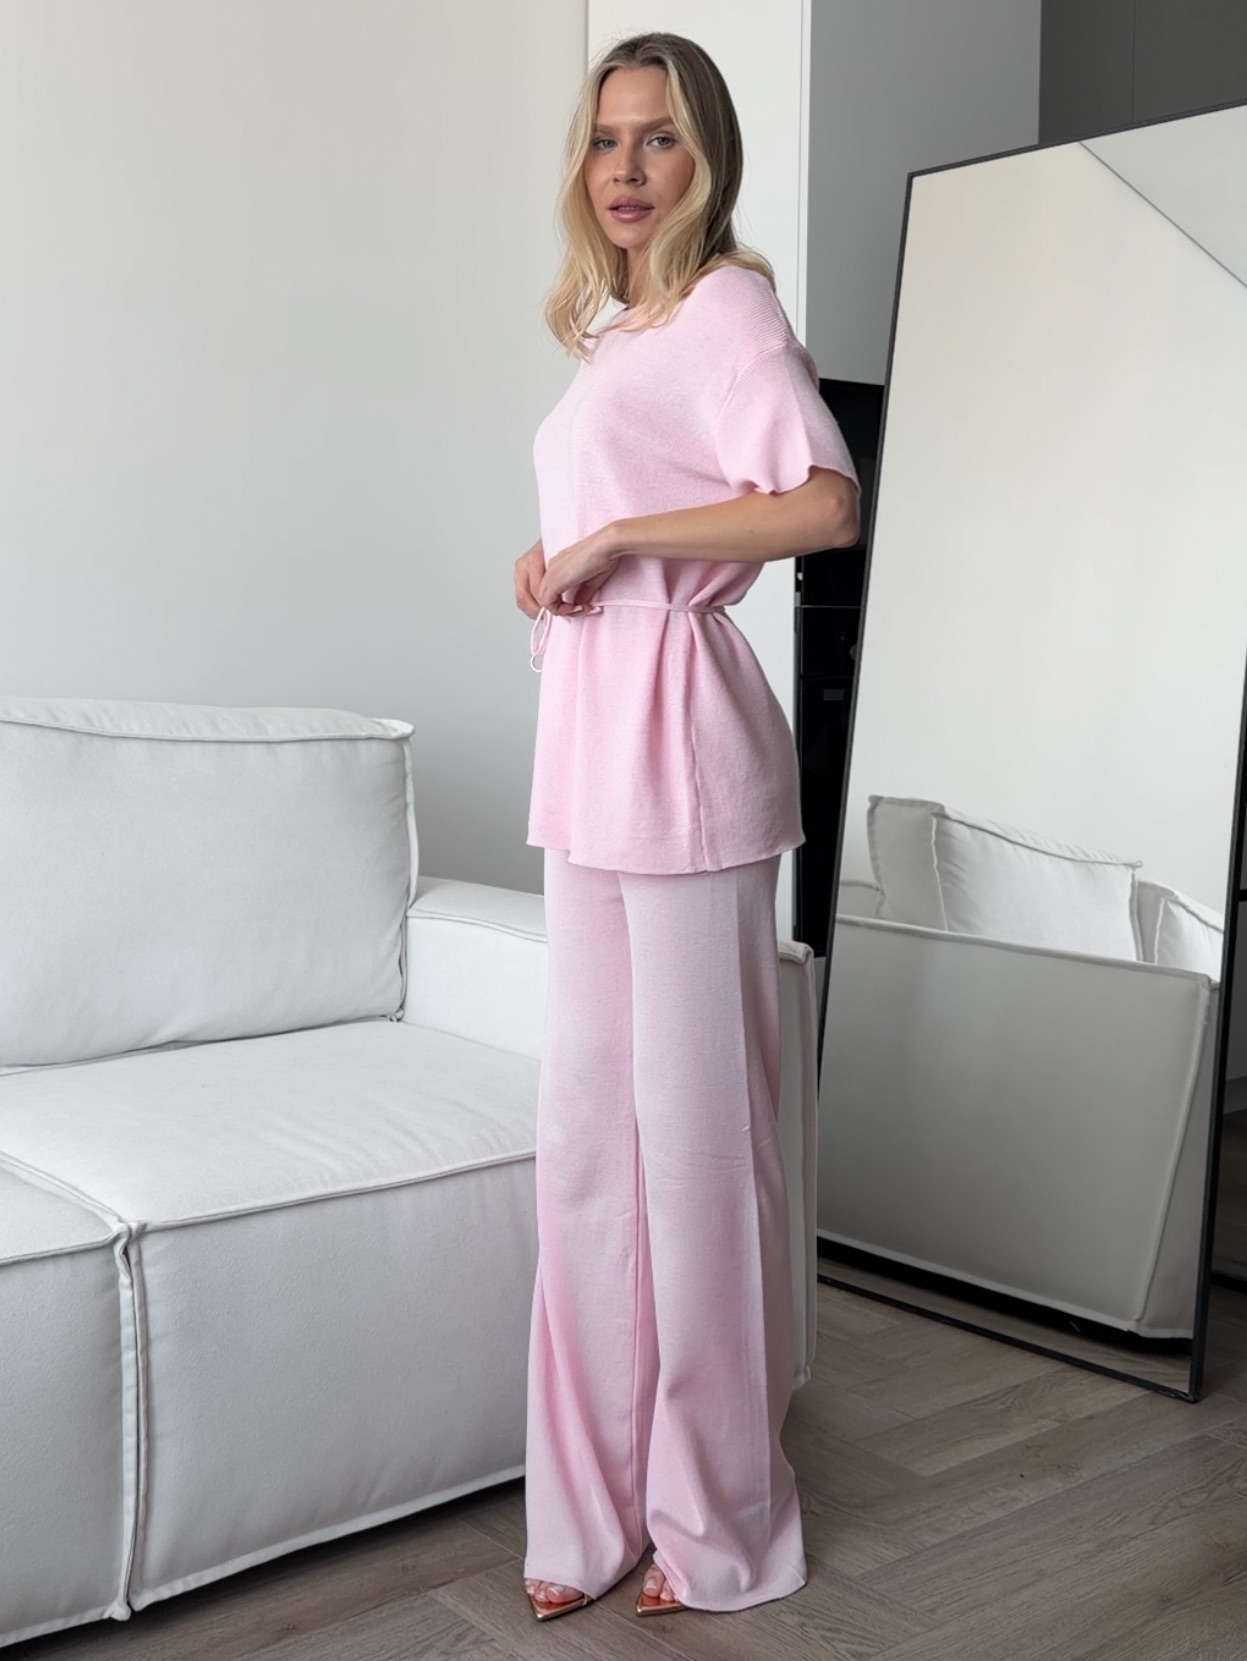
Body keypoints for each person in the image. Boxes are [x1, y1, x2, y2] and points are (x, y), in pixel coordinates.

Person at [513, 31, 860, 1623]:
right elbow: (607, 525)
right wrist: (551, 562)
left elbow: (823, 501)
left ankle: (715, 1515)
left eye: (657, 138)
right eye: (606, 140)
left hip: (690, 751)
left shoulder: (732, 308)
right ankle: (588, 1510)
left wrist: (626, 539)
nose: (627, 167)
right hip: (588, 744)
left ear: (703, 154)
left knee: (702, 1149)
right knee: (590, 1145)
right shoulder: (613, 334)